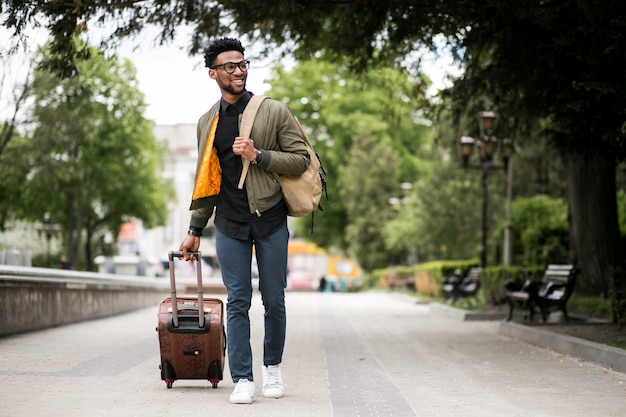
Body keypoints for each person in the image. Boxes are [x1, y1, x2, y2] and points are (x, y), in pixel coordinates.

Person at [178, 37, 310, 404]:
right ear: (213, 73)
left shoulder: (273, 111)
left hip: (270, 219)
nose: (239, 71)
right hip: (229, 224)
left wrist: (260, 154)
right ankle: (243, 378)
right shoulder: (208, 122)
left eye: (242, 64)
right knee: (237, 301)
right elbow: (207, 180)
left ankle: (272, 369)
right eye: (230, 66)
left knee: (274, 300)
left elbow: (300, 159)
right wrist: (194, 229)